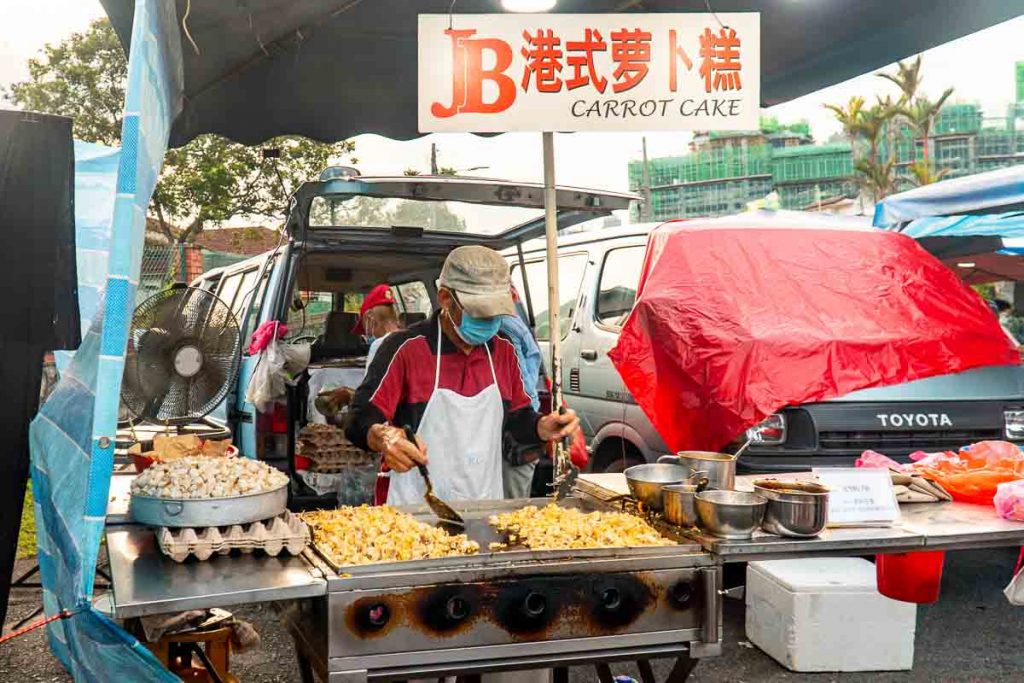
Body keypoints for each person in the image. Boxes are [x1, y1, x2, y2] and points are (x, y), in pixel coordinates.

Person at [346, 245, 579, 506]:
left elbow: (516, 420)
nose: (489, 321)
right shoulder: (404, 349)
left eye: (495, 312)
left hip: (483, 502)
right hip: (412, 507)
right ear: (445, 298)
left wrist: (541, 427)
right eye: (480, 312)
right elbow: (359, 418)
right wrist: (385, 437)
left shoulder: (504, 350)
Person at [352, 283, 402, 371]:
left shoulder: (380, 345)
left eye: (366, 328)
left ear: (370, 319)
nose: (369, 334)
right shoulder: (414, 340)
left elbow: (372, 384)